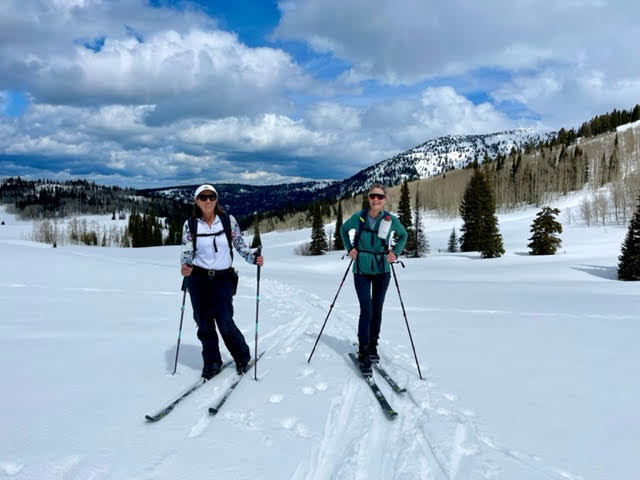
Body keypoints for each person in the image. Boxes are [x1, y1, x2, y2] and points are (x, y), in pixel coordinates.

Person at [180, 184, 264, 379]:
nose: (208, 201)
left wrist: (253, 258)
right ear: (196, 201)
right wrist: (185, 266)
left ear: (216, 199)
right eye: (203, 197)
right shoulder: (191, 224)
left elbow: (239, 245)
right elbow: (186, 249)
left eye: (211, 197)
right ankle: (212, 362)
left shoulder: (227, 220)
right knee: (203, 323)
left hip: (223, 278)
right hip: (198, 278)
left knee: (224, 320)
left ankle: (242, 357)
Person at [340, 183, 407, 375]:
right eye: (372, 196)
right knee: (366, 310)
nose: (376, 200)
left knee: (377, 310)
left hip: (382, 270)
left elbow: (403, 235)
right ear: (368, 198)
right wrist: (350, 249)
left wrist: (395, 253)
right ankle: (363, 351)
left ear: (385, 199)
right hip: (360, 269)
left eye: (380, 197)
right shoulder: (358, 217)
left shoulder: (389, 219)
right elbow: (344, 230)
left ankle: (373, 346)